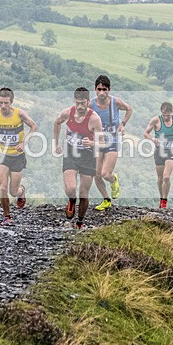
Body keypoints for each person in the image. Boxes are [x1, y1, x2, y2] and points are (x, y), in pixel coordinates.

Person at [0, 87, 37, 225]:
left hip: (17, 156)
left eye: (6, 103)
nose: (3, 106)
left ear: (11, 102)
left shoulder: (19, 114)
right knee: (2, 187)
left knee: (13, 192)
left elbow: (33, 127)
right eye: (0, 102)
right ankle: (7, 217)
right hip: (2, 155)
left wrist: (24, 142)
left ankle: (22, 192)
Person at [54, 87, 104, 229]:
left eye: (83, 103)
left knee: (83, 193)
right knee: (71, 188)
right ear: (74, 102)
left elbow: (102, 142)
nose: (80, 107)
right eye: (78, 103)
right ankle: (71, 200)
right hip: (71, 153)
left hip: (88, 156)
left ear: (89, 102)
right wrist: (57, 143)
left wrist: (91, 143)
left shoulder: (94, 119)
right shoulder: (67, 113)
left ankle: (80, 222)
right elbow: (57, 122)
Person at [90, 75, 133, 211]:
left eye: (104, 89)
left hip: (112, 141)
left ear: (109, 89)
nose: (102, 93)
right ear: (95, 89)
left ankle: (114, 180)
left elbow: (129, 109)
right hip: (97, 142)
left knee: (105, 174)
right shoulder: (91, 104)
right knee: (96, 174)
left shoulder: (115, 102)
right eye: (99, 89)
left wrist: (122, 124)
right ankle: (106, 200)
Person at [144, 102, 173, 209]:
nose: (166, 117)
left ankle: (164, 201)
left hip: (171, 150)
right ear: (161, 112)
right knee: (160, 178)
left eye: (168, 115)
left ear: (171, 112)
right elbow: (146, 133)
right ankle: (161, 198)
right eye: (164, 115)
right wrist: (152, 139)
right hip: (159, 151)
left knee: (166, 177)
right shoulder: (156, 120)